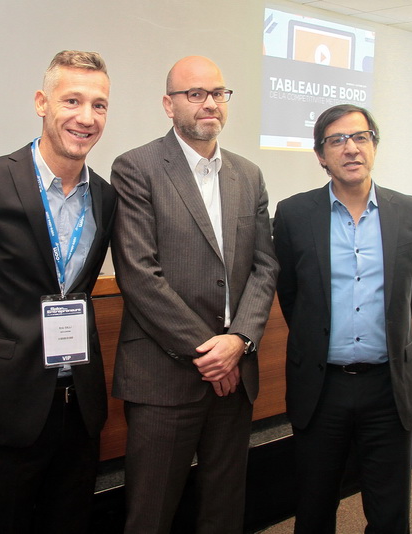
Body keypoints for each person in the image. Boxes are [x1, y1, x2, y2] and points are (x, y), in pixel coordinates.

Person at [0, 50, 116, 534]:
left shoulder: (104, 196)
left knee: (70, 521)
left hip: (79, 403)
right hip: (6, 401)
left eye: (99, 105)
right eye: (72, 100)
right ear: (42, 102)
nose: (86, 117)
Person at [110, 55, 279, 534]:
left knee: (224, 513)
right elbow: (140, 275)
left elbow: (265, 268)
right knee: (151, 515)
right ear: (169, 104)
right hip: (164, 378)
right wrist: (211, 352)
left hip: (234, 377)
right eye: (195, 94)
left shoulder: (249, 175)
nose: (210, 104)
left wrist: (239, 341)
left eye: (218, 93)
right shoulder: (136, 168)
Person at [273, 104, 412, 533]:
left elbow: (409, 294)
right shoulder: (293, 215)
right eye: (337, 140)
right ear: (321, 155)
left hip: (388, 386)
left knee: (389, 512)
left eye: (360, 137)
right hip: (322, 388)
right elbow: (291, 295)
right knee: (314, 508)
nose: (351, 148)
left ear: (374, 146)